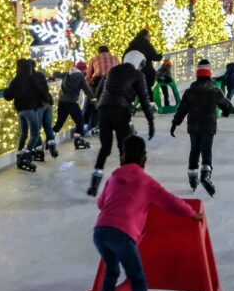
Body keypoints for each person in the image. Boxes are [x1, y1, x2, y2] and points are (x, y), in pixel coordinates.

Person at [92, 135, 204, 291]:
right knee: (140, 283)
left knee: (112, 269)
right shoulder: (146, 182)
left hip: (100, 232)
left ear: (123, 156)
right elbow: (170, 201)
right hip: (123, 234)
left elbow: (101, 203)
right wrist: (191, 213)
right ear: (144, 158)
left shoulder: (115, 176)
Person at [88, 51, 155, 197]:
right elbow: (144, 99)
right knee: (123, 148)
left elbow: (99, 89)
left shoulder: (112, 70)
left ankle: (94, 183)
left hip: (104, 110)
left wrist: (97, 105)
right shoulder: (138, 75)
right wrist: (150, 121)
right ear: (138, 62)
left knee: (105, 148)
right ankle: (126, 185)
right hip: (121, 111)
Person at [170, 59, 233, 195]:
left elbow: (181, 110)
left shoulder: (189, 91)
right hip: (208, 126)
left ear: (197, 75)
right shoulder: (214, 90)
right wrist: (227, 111)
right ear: (209, 74)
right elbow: (226, 105)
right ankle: (206, 176)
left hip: (193, 126)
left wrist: (175, 123)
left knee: (194, 150)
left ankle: (193, 179)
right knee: (206, 150)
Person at [4, 58, 53, 171]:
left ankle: (20, 152)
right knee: (35, 135)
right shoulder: (31, 79)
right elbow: (41, 90)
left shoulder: (15, 80)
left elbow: (8, 97)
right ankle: (25, 155)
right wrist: (47, 99)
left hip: (20, 111)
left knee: (24, 133)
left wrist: (6, 89)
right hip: (30, 110)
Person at [52, 62, 94, 150]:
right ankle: (78, 140)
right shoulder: (81, 78)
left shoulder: (67, 74)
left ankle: (50, 139)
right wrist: (94, 100)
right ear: (82, 70)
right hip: (71, 103)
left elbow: (56, 74)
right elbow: (87, 90)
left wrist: (53, 76)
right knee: (80, 121)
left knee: (59, 123)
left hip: (62, 102)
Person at [125, 28, 163, 100]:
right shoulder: (146, 44)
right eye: (149, 36)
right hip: (146, 70)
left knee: (135, 87)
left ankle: (132, 103)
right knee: (148, 86)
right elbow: (154, 57)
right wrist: (160, 56)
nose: (150, 38)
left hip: (132, 71)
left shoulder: (132, 44)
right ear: (145, 36)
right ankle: (150, 104)